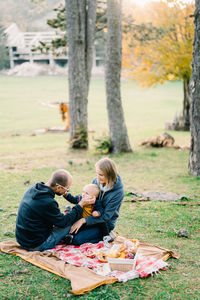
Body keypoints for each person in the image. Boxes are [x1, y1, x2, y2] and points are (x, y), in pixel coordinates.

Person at [15, 169, 95, 251]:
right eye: (67, 189)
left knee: (66, 216)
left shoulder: (33, 188)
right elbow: (63, 222)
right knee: (69, 222)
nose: (66, 191)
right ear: (58, 187)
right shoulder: (48, 202)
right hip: (35, 245)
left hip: (21, 239)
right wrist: (81, 205)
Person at [64, 158, 124, 245]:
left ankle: (107, 235)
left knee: (77, 240)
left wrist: (83, 221)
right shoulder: (96, 181)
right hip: (89, 216)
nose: (98, 178)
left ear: (110, 175)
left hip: (104, 224)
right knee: (69, 229)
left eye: (101, 175)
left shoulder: (118, 192)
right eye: (97, 173)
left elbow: (106, 216)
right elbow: (87, 195)